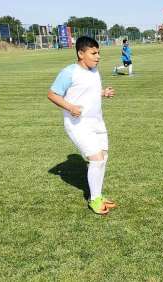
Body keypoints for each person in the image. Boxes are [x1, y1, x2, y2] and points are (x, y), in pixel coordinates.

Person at [47, 36, 117, 215]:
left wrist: (103, 93)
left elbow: (88, 92)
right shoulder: (69, 72)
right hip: (77, 124)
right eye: (93, 53)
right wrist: (70, 107)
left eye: (98, 52)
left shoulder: (94, 71)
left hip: (97, 121)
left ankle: (98, 195)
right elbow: (52, 94)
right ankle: (94, 200)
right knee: (96, 159)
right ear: (80, 53)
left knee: (103, 158)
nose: (98, 56)